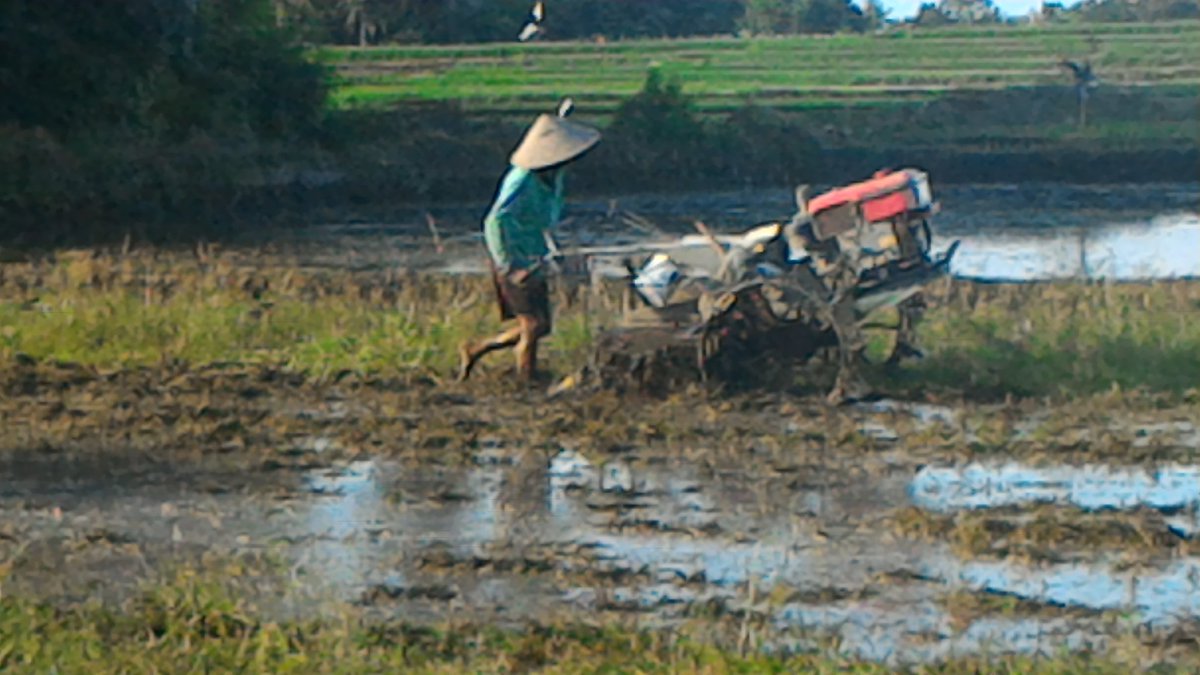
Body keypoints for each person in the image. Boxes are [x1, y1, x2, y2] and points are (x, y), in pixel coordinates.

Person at [456, 112, 601, 383]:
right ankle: (527, 379)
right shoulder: (521, 180)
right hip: (515, 260)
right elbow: (495, 220)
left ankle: (477, 349)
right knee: (533, 326)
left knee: (540, 325)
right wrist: (510, 264)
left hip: (534, 255)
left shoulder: (553, 178)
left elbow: (547, 221)